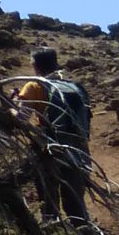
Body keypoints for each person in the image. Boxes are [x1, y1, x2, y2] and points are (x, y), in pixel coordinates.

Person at [16, 48, 93, 224]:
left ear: (35, 66)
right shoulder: (73, 87)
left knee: (49, 202)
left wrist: (11, 108)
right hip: (78, 150)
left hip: (49, 151)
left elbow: (22, 117)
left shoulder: (34, 85)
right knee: (75, 203)